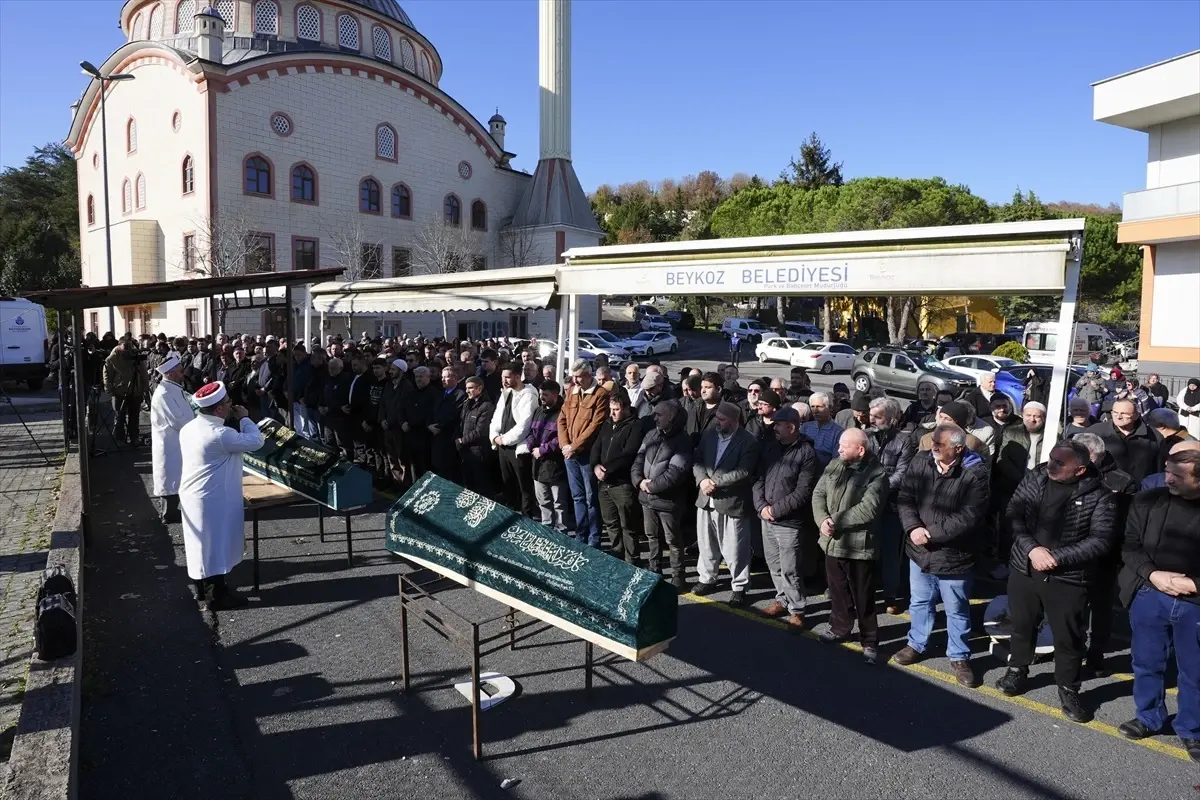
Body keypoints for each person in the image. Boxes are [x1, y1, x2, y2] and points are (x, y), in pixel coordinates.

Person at [995, 440, 1117, 723]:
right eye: (1051, 458)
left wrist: (1056, 558)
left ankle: (1068, 687)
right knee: (1022, 624)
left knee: (1069, 637)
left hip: (1068, 577)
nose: (1050, 465)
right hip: (1025, 567)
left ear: (1081, 469)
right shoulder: (1035, 477)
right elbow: (1014, 513)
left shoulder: (1100, 495)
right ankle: (1017, 670)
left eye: (1060, 463)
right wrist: (1033, 550)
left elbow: (1100, 540)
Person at [1117, 450, 1200, 762]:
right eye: (1168, 471)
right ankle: (1149, 716)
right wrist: (1153, 574)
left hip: (1194, 603)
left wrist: (1193, 585)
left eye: (1178, 476)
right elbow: (1130, 545)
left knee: (1195, 672)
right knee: (1146, 662)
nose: (1168, 479)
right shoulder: (1148, 501)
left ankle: (1192, 729)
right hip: (1150, 595)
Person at [893, 424, 990, 688]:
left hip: (954, 554)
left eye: (940, 443)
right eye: (933, 441)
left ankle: (959, 656)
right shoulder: (921, 461)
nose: (933, 446)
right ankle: (916, 643)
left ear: (958, 449)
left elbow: (969, 516)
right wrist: (913, 528)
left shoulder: (976, 472)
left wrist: (930, 534)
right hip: (919, 549)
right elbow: (906, 497)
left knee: (956, 609)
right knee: (920, 601)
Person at [178, 382, 265, 611]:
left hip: (194, 495)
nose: (231, 406)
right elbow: (256, 441)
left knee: (200, 544)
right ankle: (216, 595)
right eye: (228, 403)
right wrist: (245, 418)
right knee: (216, 545)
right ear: (219, 409)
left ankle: (201, 588)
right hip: (213, 498)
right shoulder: (221, 434)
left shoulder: (189, 427)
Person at [813, 428, 889, 663]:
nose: (838, 449)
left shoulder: (877, 474)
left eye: (844, 446)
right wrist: (821, 520)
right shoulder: (835, 465)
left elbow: (869, 509)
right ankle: (839, 628)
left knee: (863, 596)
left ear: (860, 450)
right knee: (837, 590)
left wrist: (834, 521)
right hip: (832, 542)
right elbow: (818, 494)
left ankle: (870, 640)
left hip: (858, 546)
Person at [753, 405, 818, 627]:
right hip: (766, 516)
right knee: (774, 563)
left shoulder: (806, 453)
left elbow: (803, 491)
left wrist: (775, 510)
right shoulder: (771, 447)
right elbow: (759, 478)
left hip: (789, 521)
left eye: (778, 425)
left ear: (791, 427)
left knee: (790, 567)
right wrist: (761, 506)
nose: (774, 429)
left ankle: (797, 609)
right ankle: (782, 599)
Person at [691, 402, 760, 606]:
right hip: (705, 497)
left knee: (735, 548)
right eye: (717, 418)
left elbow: (744, 471)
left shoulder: (748, 441)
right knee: (706, 543)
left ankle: (739, 586)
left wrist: (716, 483)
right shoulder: (710, 434)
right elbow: (698, 460)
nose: (717, 422)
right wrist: (702, 480)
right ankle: (707, 578)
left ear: (734, 420)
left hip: (731, 501)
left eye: (722, 419)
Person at [632, 400, 693, 588]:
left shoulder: (683, 441)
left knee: (673, 540)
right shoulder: (651, 434)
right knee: (651, 535)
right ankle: (654, 569)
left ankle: (678, 576)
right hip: (647, 498)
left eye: (659, 414)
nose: (655, 417)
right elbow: (639, 458)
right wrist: (638, 480)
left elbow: (675, 473)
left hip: (668, 501)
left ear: (671, 417)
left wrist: (652, 486)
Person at [869, 396, 915, 614]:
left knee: (890, 552)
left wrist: (877, 488)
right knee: (867, 549)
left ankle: (890, 595)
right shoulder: (867, 438)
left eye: (876, 417)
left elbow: (902, 473)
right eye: (871, 416)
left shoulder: (904, 441)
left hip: (891, 505)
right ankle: (867, 589)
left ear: (890, 418)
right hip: (866, 505)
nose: (872, 420)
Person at [560, 360, 610, 548]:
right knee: (577, 497)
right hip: (570, 455)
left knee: (591, 499)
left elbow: (595, 426)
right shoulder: (572, 392)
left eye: (579, 376)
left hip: (587, 455)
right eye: (574, 376)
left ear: (589, 375)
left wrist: (574, 446)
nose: (575, 380)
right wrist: (565, 445)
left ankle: (594, 538)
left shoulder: (600, 395)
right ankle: (581, 534)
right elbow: (562, 419)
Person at [592, 391, 646, 563]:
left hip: (622, 484)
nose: (612, 413)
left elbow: (629, 454)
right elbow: (597, 446)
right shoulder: (607, 423)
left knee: (628, 526)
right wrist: (595, 466)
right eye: (611, 409)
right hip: (604, 483)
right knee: (611, 524)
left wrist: (606, 469)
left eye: (616, 409)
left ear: (626, 408)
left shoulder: (635, 426)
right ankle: (617, 556)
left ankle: (632, 561)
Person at [490, 363, 538, 517]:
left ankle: (527, 517)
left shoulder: (529, 395)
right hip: (502, 446)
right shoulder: (506, 393)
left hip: (518, 447)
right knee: (508, 483)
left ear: (518, 376)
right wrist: (495, 436)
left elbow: (524, 425)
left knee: (524, 486)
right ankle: (510, 516)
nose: (504, 380)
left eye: (507, 377)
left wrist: (504, 439)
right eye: (502, 377)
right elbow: (497, 417)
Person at [149, 355, 192, 524]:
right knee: (171, 477)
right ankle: (168, 513)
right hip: (170, 443)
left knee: (177, 476)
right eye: (181, 372)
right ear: (172, 374)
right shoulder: (165, 394)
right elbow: (178, 420)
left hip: (178, 442)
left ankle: (172, 511)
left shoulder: (174, 389)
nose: (183, 374)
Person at [1088, 398, 1159, 484]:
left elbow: (1159, 468)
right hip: (1106, 491)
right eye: (1115, 412)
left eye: (1124, 413)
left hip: (1142, 490)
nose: (1118, 417)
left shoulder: (1154, 436)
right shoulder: (1095, 432)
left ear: (1136, 415)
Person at [103, 337, 148, 446]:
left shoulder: (135, 357)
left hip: (135, 390)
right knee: (120, 416)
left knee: (134, 416)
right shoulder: (112, 359)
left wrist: (144, 388)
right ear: (119, 346)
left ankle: (134, 438)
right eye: (125, 348)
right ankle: (120, 440)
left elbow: (143, 373)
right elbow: (106, 376)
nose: (127, 351)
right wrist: (109, 390)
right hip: (119, 392)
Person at [458, 376, 497, 496]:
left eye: (470, 388)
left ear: (479, 388)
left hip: (479, 452)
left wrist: (461, 441)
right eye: (466, 388)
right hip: (466, 451)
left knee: (482, 485)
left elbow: (480, 431)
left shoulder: (487, 406)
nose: (467, 391)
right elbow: (461, 423)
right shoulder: (467, 403)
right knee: (469, 484)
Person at [430, 365, 466, 481]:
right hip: (436, 437)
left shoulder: (461, 394)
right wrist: (430, 425)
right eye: (442, 377)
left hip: (449, 437)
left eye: (446, 377)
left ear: (455, 378)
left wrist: (440, 427)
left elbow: (455, 415)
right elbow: (432, 411)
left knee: (450, 471)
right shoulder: (440, 393)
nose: (442, 380)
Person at [378, 359, 409, 486]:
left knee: (402, 459)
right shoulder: (389, 385)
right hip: (387, 427)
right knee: (391, 458)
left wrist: (390, 422)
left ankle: (404, 484)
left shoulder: (407, 386)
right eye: (390, 369)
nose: (390, 372)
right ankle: (396, 482)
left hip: (398, 428)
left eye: (393, 370)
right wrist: (382, 419)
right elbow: (383, 404)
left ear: (401, 371)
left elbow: (401, 408)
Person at [801, 392, 844, 468]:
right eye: (812, 407)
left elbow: (836, 460)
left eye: (819, 407)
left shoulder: (838, 432)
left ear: (829, 408)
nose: (815, 410)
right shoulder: (806, 427)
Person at [1146, 407, 1194, 474]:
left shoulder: (1188, 445)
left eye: (1150, 422)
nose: (1147, 425)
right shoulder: (1162, 439)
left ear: (1161, 426)